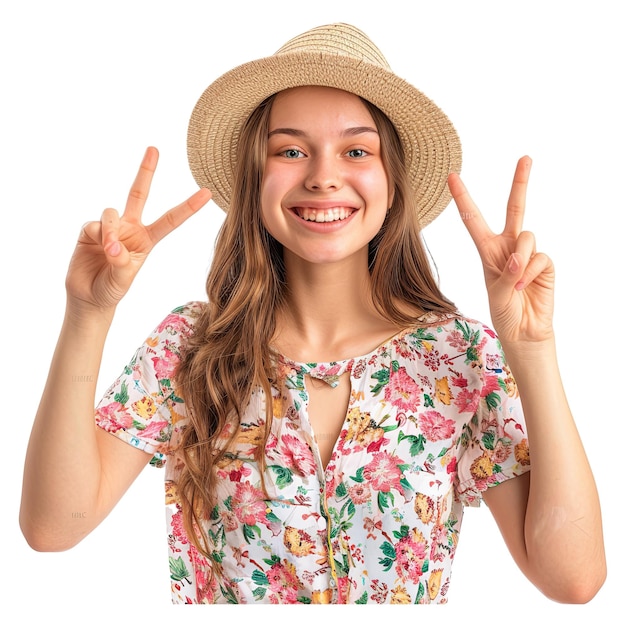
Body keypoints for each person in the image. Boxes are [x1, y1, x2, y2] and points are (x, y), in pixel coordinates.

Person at [19, 23, 606, 605]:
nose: (324, 176)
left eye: (356, 150)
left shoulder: (457, 358)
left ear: (392, 182)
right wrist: (87, 314)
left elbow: (572, 580)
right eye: (291, 150)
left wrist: (532, 350)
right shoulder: (189, 347)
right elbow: (52, 527)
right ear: (257, 177)